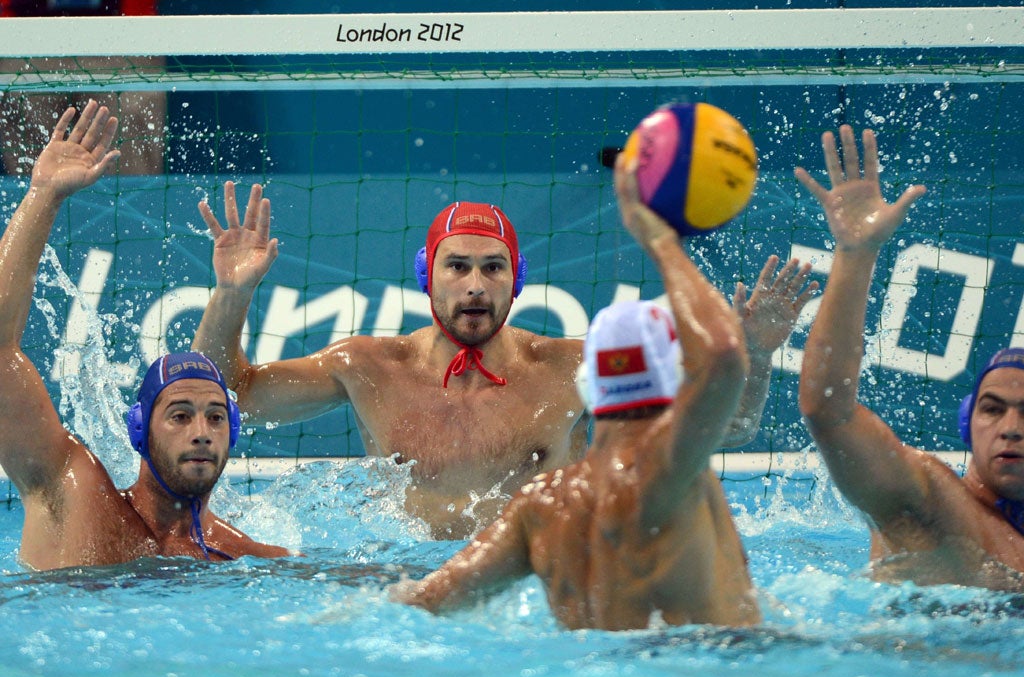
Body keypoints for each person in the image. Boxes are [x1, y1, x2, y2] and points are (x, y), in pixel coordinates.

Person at [192, 182, 816, 540]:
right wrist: (233, 292)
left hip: (538, 580)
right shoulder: (368, 366)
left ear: (516, 281)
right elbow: (229, 392)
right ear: (426, 276)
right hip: (405, 578)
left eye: (493, 268)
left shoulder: (577, 366)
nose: (474, 286)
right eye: (457, 266)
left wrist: (757, 352)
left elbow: (730, 426)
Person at [390, 149, 762, 630]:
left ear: (590, 385)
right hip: (716, 671)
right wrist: (662, 240)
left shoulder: (540, 506)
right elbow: (726, 361)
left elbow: (424, 601)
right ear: (676, 383)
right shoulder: (674, 470)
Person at [0, 100, 292, 570]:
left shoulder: (246, 557)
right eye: (179, 416)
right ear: (139, 429)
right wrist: (43, 194)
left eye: (216, 418)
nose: (202, 434)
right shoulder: (73, 492)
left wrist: (232, 293)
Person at [797, 123, 1024, 591]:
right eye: (992, 408)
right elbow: (828, 412)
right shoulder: (935, 503)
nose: (1011, 428)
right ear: (969, 423)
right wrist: (855, 253)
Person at [0, 0, 166, 176]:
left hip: (123, 31)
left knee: (130, 110)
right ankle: (37, 200)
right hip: (23, 34)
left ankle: (131, 201)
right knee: (34, 180)